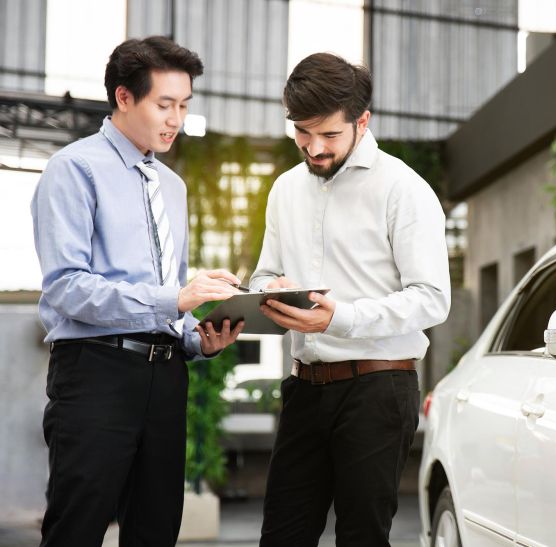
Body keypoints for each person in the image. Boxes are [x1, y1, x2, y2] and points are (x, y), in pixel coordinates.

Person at [30, 36, 244, 546]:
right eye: (164, 104)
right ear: (124, 98)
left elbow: (173, 285)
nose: (176, 119)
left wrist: (195, 335)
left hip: (166, 375)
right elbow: (67, 287)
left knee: (155, 529)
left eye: (185, 105)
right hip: (95, 373)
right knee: (76, 528)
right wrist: (175, 300)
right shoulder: (74, 170)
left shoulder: (172, 186)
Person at [250, 52, 451, 546]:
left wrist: (341, 319)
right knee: (281, 535)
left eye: (329, 135)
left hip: (377, 389)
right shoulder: (284, 190)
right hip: (304, 388)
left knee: (362, 537)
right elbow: (265, 273)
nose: (313, 147)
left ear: (363, 121)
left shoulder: (404, 189)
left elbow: (431, 299)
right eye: (301, 131)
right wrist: (266, 291)